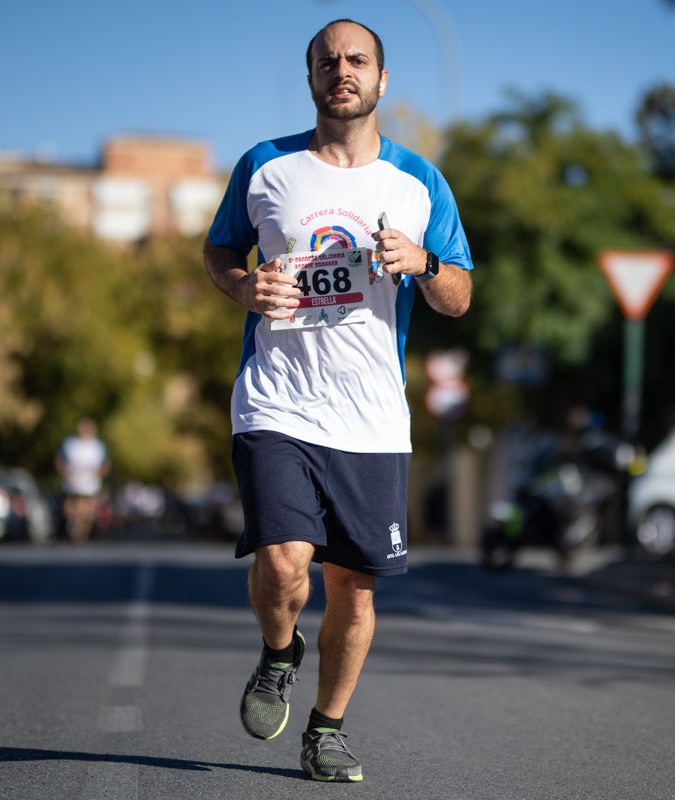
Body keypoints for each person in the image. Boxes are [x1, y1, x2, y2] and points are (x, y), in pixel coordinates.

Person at [202, 18, 473, 783]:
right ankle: (279, 652)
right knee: (285, 564)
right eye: (328, 61)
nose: (342, 70)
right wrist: (241, 284)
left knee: (352, 595)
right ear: (312, 78)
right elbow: (220, 249)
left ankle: (326, 729)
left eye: (357, 61)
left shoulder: (419, 182)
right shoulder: (264, 167)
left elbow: (459, 294)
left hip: (373, 419)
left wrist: (421, 262)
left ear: (382, 81)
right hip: (277, 402)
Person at [55, 418, 110, 543]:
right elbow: (59, 460)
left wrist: (100, 473)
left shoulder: (98, 445)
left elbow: (106, 464)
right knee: (70, 507)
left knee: (88, 510)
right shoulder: (70, 443)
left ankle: (82, 535)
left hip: (90, 485)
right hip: (72, 483)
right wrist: (65, 473)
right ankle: (73, 526)